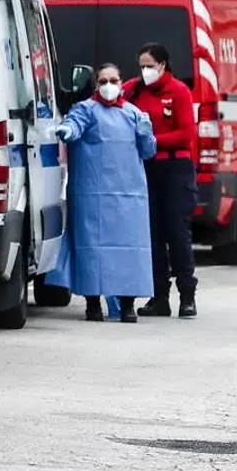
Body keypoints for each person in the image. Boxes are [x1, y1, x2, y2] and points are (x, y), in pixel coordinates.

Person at [50, 64, 157, 323]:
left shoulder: (134, 114)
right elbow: (74, 125)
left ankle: (128, 304)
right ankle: (93, 303)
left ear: (121, 82)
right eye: (103, 81)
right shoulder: (86, 110)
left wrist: (147, 135)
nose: (109, 85)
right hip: (92, 196)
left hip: (129, 197)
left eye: (114, 80)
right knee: (92, 249)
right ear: (96, 84)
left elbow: (148, 152)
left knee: (129, 249)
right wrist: (68, 130)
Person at [123, 43, 200, 319]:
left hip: (175, 168)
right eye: (142, 65)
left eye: (149, 66)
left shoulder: (178, 91)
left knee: (177, 234)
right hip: (147, 169)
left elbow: (185, 133)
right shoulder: (134, 90)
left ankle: (187, 295)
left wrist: (152, 140)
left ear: (163, 66)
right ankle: (159, 296)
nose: (145, 71)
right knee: (152, 235)